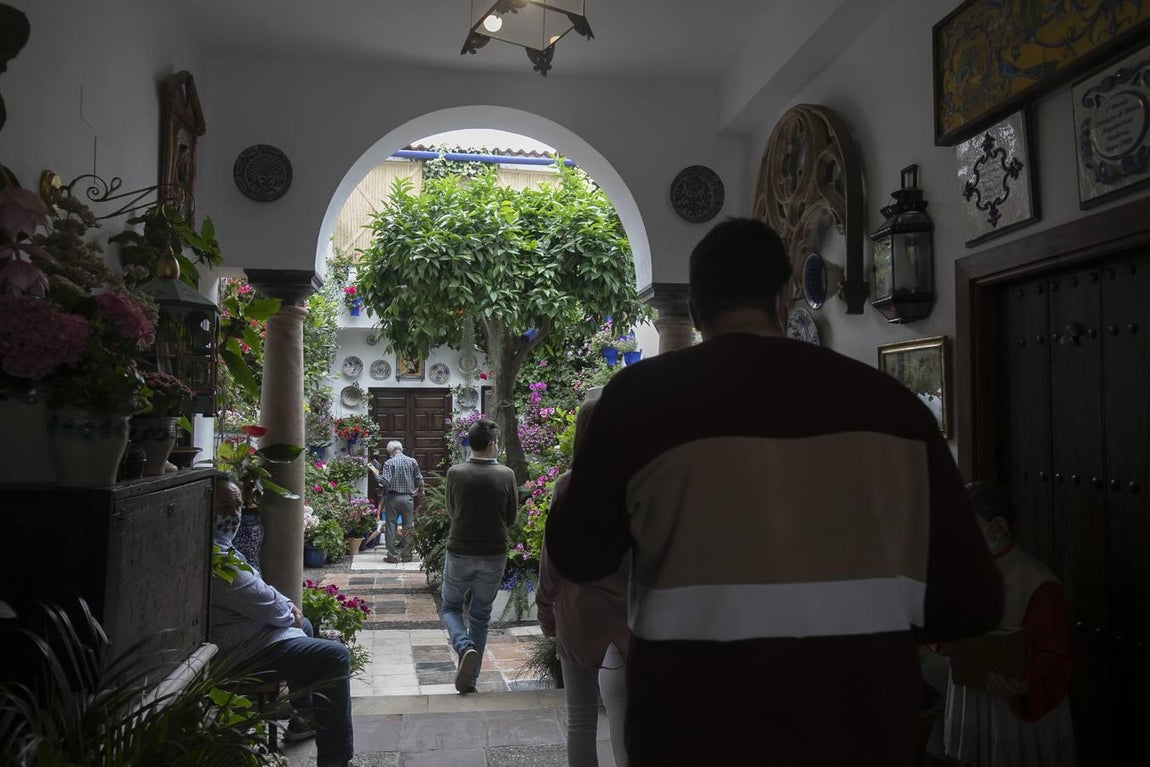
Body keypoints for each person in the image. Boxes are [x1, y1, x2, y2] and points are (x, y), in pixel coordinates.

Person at [545, 217, 1005, 766]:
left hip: (692, 733)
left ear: (694, 311)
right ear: (784, 297)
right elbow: (972, 601)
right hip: (858, 732)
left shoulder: (639, 403)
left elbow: (579, 554)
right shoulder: (893, 409)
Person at [210, 474, 358, 767]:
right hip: (239, 651)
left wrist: (287, 608)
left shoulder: (220, 546)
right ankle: (336, 760)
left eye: (238, 506)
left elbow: (259, 592)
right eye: (225, 506)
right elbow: (259, 599)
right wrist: (288, 609)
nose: (234, 515)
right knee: (334, 656)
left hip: (246, 636)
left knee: (303, 626)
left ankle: (303, 716)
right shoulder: (217, 560)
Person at [940, 481, 1076, 766]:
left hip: (1012, 705)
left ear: (999, 527)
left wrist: (1025, 684)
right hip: (973, 697)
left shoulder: (1037, 583)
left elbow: (1054, 653)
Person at [537, 387, 629, 767]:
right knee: (625, 710)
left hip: (578, 610)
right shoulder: (640, 485)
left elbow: (551, 554)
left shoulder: (567, 485)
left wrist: (546, 607)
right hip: (630, 609)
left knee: (580, 719)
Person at [438, 418, 519, 693]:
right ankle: (470, 680)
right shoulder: (506, 475)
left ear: (470, 443)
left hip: (459, 549)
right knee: (481, 615)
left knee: (450, 607)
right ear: (493, 445)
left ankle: (463, 645)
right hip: (493, 552)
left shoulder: (455, 473)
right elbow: (510, 518)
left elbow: (452, 511)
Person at [376, 440, 424, 563]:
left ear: (391, 451)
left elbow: (385, 482)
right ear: (400, 449)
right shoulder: (412, 461)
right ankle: (407, 555)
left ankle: (393, 556)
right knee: (408, 526)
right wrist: (420, 490)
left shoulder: (389, 463)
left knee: (391, 526)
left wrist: (376, 474)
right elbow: (419, 478)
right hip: (408, 498)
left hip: (393, 498)